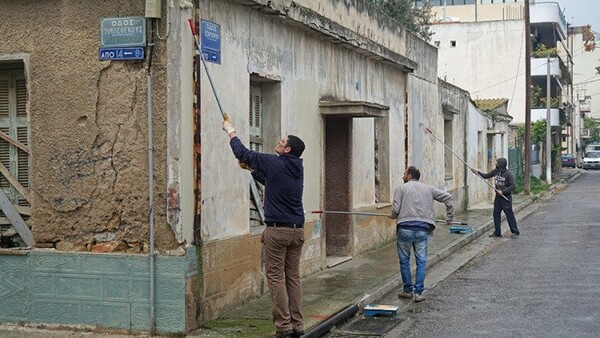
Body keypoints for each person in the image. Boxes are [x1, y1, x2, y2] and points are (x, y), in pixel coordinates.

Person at [223, 117, 306, 338]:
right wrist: (252, 170)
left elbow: (243, 153)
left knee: (276, 276)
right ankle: (297, 326)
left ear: (287, 149)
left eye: (282, 140)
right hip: (297, 230)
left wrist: (231, 132)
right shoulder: (296, 168)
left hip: (278, 231)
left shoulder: (275, 162)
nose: (279, 141)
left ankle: (283, 327)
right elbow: (271, 181)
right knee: (293, 277)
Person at [389, 166, 454, 302]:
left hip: (405, 229)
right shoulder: (428, 188)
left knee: (404, 261)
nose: (403, 175)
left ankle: (407, 290)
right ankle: (418, 293)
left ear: (409, 176)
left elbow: (395, 209)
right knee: (421, 261)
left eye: (404, 173)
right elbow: (448, 197)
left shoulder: (400, 189)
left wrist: (392, 216)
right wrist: (449, 217)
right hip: (422, 230)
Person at [471, 158, 520, 239]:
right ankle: (497, 232)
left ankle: (515, 232)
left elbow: (513, 186)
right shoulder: (495, 171)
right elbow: (486, 176)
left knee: (509, 215)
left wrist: (503, 191)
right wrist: (477, 172)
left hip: (506, 198)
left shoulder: (508, 174)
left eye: (497, 163)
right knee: (496, 215)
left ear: (501, 164)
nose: (495, 164)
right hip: (498, 199)